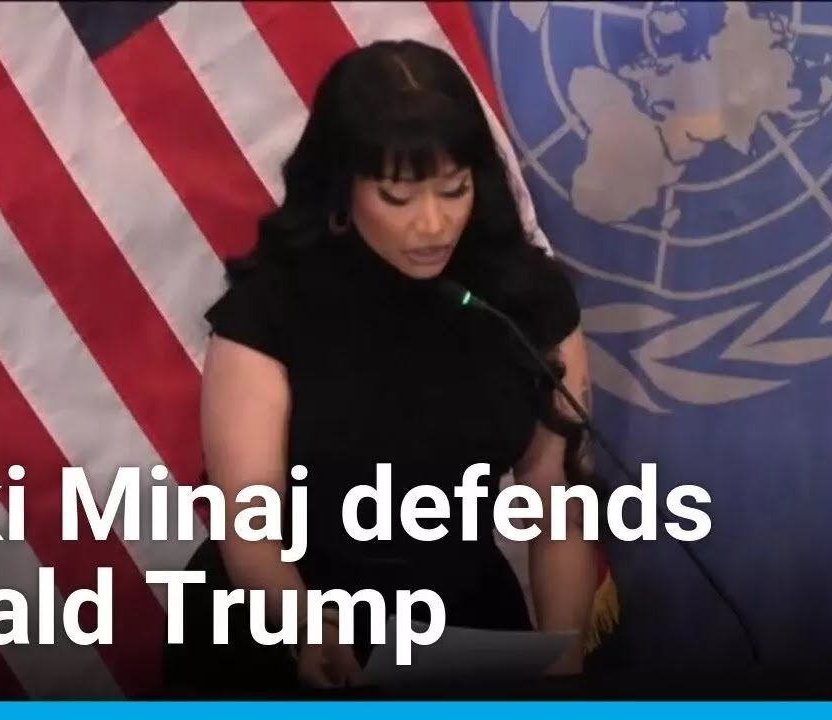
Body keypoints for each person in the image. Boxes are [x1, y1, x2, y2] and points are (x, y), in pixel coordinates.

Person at [160, 39, 602, 696]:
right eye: (399, 197)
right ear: (344, 186)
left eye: (454, 190)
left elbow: (556, 505)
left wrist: (562, 663)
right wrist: (305, 628)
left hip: (456, 617)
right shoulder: (271, 308)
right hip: (280, 615)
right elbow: (249, 523)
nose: (434, 224)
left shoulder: (527, 300)